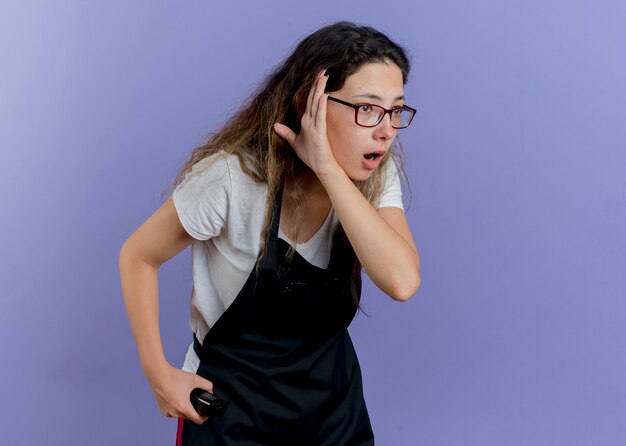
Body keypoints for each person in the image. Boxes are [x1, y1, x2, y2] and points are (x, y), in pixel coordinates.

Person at [119, 21, 421, 445]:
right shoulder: (233, 178)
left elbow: (402, 281)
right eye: (367, 109)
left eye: (395, 110)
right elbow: (138, 255)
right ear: (309, 103)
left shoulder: (373, 175)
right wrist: (158, 374)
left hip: (332, 413)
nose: (386, 130)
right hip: (235, 413)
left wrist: (328, 169)